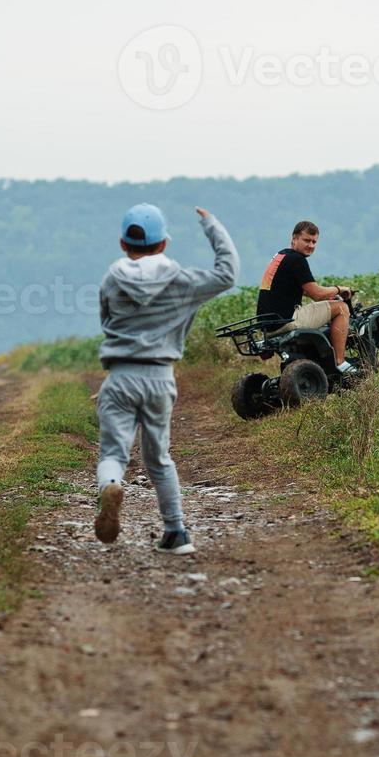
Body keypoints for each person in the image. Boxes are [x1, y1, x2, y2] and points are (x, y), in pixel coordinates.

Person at [94, 203, 239, 555]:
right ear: (163, 244)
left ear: (122, 244)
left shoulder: (113, 278)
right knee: (158, 457)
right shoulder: (181, 281)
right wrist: (211, 225)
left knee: (114, 452)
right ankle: (176, 533)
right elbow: (227, 274)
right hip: (161, 378)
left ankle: (112, 485)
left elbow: (106, 320)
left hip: (122, 374)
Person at [256, 220, 357, 375]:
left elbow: (295, 289)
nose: (310, 245)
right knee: (341, 308)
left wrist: (329, 296)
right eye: (306, 240)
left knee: (331, 304)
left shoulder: (280, 256)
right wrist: (339, 289)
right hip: (286, 320)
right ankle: (340, 362)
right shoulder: (297, 260)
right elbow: (316, 294)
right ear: (294, 239)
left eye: (314, 242)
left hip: (268, 325)